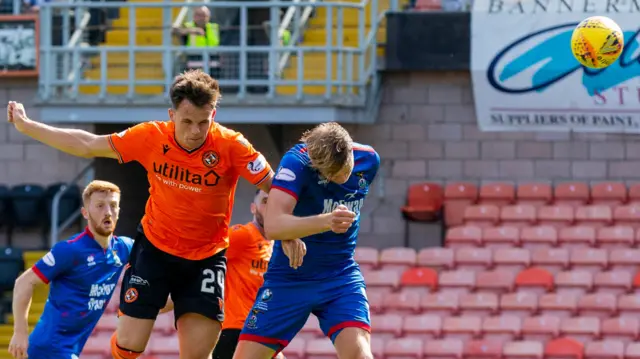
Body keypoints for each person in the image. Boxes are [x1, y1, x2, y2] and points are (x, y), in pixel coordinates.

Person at [6, 69, 274, 359]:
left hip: (206, 257)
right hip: (155, 251)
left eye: (203, 122)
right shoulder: (150, 136)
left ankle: (175, 299)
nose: (196, 131)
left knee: (198, 355)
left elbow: (277, 187)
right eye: (187, 121)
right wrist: (27, 126)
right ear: (172, 115)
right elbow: (87, 144)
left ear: (214, 115)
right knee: (130, 345)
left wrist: (290, 232)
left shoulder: (232, 145)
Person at [233, 122, 380, 359]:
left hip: (339, 275)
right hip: (290, 276)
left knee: (360, 354)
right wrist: (326, 221)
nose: (339, 178)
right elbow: (273, 225)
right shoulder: (296, 162)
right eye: (330, 174)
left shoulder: (370, 160)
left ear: (350, 151)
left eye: (343, 170)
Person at [8, 180, 132, 359]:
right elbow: (23, 282)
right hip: (48, 348)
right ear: (85, 213)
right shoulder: (69, 250)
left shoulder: (124, 248)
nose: (107, 212)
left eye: (113, 205)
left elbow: (157, 259)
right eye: (99, 206)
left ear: (119, 211)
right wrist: (20, 332)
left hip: (71, 349)